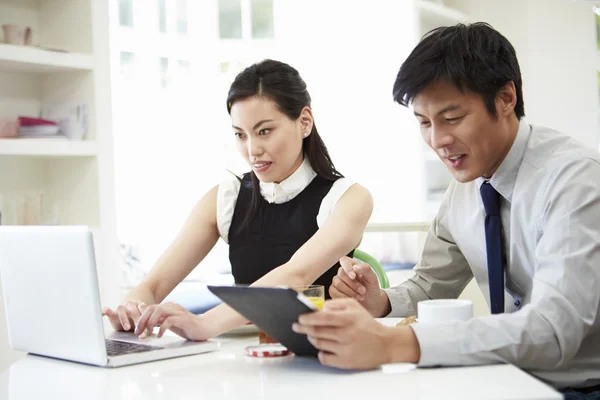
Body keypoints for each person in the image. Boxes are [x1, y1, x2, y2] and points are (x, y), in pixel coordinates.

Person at [293, 23, 600, 397]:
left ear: (505, 98)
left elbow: (554, 330)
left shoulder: (575, 180)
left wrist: (397, 344)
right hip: (508, 381)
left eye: (452, 118)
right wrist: (379, 301)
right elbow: (430, 283)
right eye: (424, 122)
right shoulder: (466, 188)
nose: (437, 141)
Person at [103, 59, 373, 341]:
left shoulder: (349, 199)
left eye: (264, 131)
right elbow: (154, 285)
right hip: (249, 359)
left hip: (324, 354)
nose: (252, 150)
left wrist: (204, 323)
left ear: (304, 122)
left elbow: (296, 275)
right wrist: (133, 310)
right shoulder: (226, 198)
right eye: (240, 135)